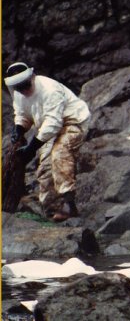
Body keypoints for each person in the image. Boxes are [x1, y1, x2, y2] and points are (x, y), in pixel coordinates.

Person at [4, 62, 90, 222]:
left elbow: (53, 122)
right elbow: (22, 113)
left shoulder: (50, 89)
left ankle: (69, 205)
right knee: (44, 167)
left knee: (59, 155)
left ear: (32, 77)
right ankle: (52, 209)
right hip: (48, 126)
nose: (24, 90)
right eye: (19, 88)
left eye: (26, 86)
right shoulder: (18, 93)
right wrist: (19, 128)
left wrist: (32, 147)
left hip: (72, 122)